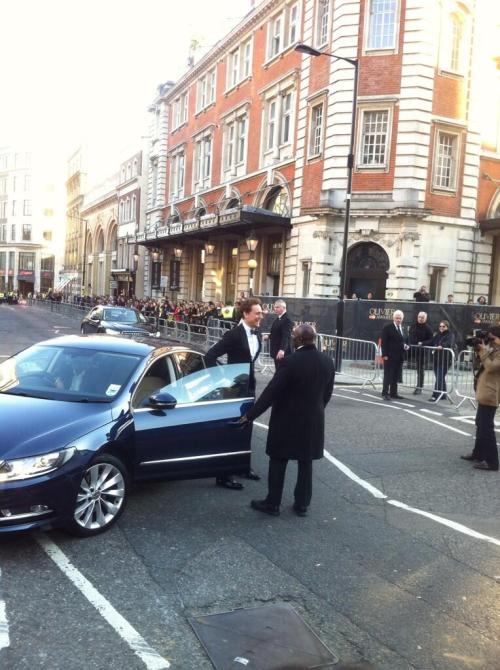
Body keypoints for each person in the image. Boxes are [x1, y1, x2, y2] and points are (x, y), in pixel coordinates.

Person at [240, 324, 335, 516]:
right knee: (305, 461)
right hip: (313, 419)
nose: (292, 338)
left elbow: (271, 392)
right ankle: (302, 504)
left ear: (298, 339)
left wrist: (249, 416)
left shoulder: (290, 362)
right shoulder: (327, 361)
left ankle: (272, 503)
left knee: (278, 459)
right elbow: (327, 393)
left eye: (293, 336)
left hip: (286, 419)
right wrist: (316, 410)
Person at [205, 297, 263, 489]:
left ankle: (242, 467)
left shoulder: (258, 332)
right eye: (257, 313)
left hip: (249, 387)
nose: (260, 316)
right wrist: (222, 379)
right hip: (234, 389)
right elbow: (210, 356)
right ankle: (223, 475)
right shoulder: (234, 335)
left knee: (247, 426)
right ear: (246, 314)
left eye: (261, 313)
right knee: (231, 430)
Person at [461, 326, 500, 471]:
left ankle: (492, 462)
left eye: (492, 338)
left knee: (487, 429)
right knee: (480, 425)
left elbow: (491, 367)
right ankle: (478, 453)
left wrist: (483, 350)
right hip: (485, 391)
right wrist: (478, 349)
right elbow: (481, 363)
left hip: (491, 393)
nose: (491, 340)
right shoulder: (493, 349)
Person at [381, 310, 408, 400]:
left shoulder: (402, 328)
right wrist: (384, 354)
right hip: (389, 356)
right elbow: (383, 342)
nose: (398, 319)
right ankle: (385, 393)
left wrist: (407, 345)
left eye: (400, 318)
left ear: (402, 319)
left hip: (399, 356)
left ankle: (393, 393)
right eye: (397, 318)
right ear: (393, 318)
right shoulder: (387, 327)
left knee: (396, 376)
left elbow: (405, 340)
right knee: (388, 375)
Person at [429, 320, 455, 401]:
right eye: (440, 326)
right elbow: (431, 341)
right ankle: (443, 394)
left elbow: (449, 343)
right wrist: (421, 343)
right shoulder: (438, 335)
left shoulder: (450, 335)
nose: (441, 328)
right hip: (437, 359)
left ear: (447, 327)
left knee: (439, 377)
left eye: (443, 326)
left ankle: (435, 395)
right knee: (440, 377)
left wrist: (441, 346)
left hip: (445, 360)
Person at [408, 312, 433, 394]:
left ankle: (419, 387)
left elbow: (431, 340)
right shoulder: (413, 326)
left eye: (422, 317)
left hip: (422, 352)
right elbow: (409, 336)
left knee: (420, 370)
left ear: (425, 318)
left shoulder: (428, 328)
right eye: (419, 317)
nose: (420, 319)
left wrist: (422, 343)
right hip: (411, 349)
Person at [269, 299, 293, 370]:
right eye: (274, 307)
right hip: (277, 350)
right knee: (279, 370)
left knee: (282, 371)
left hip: (282, 352)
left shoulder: (287, 319)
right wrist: (268, 336)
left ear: (283, 307)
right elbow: (276, 332)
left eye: (277, 307)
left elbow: (286, 336)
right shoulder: (279, 318)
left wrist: (282, 350)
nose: (275, 309)